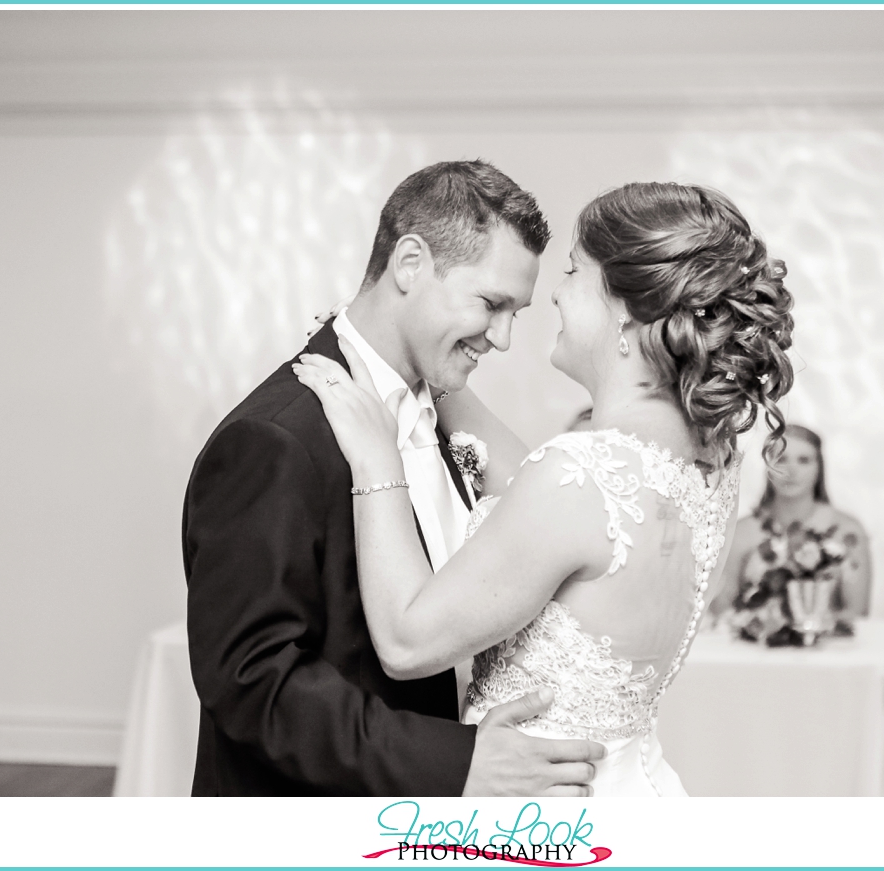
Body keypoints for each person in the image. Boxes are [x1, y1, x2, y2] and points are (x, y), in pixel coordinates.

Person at [295, 181, 795, 795]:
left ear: (626, 311)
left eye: (573, 270)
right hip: (630, 791)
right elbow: (530, 478)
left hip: (541, 814)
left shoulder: (580, 481)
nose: (555, 293)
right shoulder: (710, 462)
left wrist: (377, 462)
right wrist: (408, 354)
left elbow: (405, 641)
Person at [182, 160, 607, 796]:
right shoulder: (273, 439)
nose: (503, 337)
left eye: (515, 312)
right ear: (410, 264)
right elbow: (251, 683)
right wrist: (455, 763)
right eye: (491, 304)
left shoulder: (439, 409)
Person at [711, 424, 873, 617]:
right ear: (768, 466)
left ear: (819, 468)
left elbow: (857, 613)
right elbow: (722, 613)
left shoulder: (847, 530)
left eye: (803, 460)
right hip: (754, 645)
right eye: (780, 459)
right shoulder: (741, 532)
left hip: (828, 645)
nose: (791, 470)